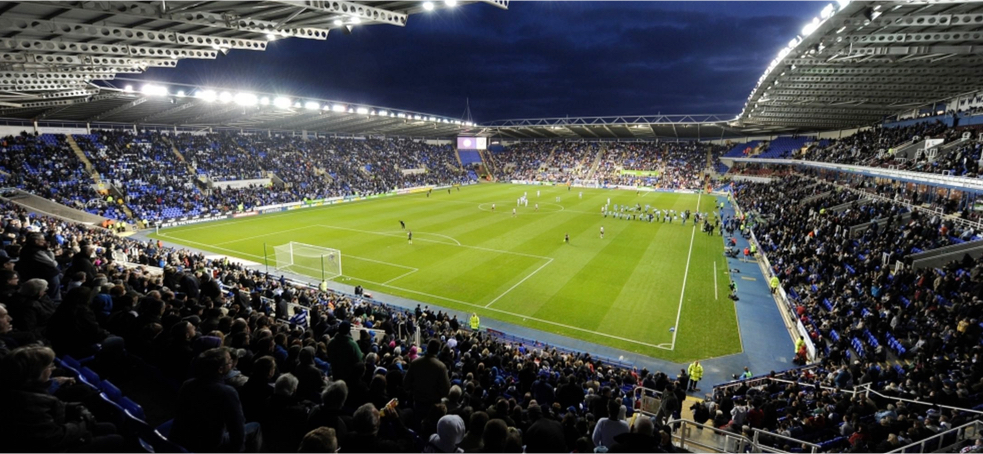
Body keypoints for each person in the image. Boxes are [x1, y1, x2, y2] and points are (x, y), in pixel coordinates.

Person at [168, 348, 263, 453]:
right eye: (229, 362)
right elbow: (237, 429)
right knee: (255, 426)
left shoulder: (188, 384)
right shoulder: (227, 392)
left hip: (183, 438)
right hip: (208, 445)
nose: (231, 363)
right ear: (220, 369)